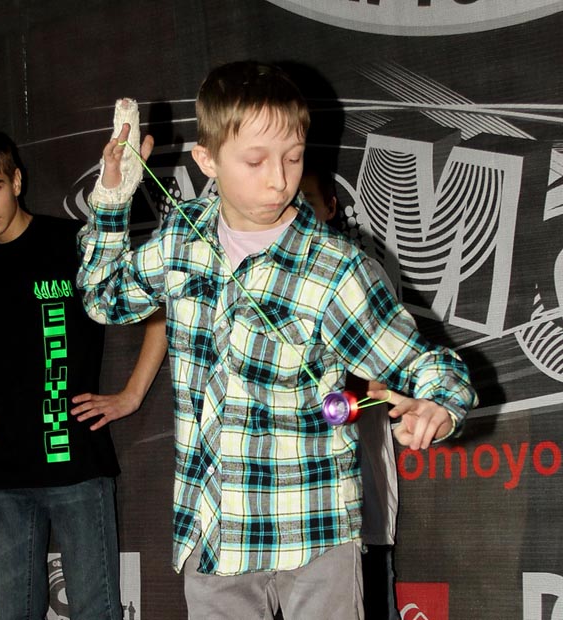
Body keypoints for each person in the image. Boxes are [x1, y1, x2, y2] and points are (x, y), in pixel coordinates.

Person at [76, 60, 478, 620]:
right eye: (255, 160)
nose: (278, 179)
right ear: (207, 160)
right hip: (212, 535)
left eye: (292, 157)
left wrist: (441, 406)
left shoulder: (335, 268)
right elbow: (102, 299)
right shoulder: (180, 241)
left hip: (313, 535)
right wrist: (112, 199)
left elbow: (428, 366)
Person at [0, 130, 167, 620]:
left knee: (95, 611)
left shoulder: (74, 242)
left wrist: (131, 394)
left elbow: (157, 309)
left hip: (75, 463)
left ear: (16, 181)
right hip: (4, 468)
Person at [300, 166, 400, 620]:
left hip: (351, 506)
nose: (298, 214)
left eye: (308, 202)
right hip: (271, 519)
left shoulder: (360, 273)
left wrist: (340, 397)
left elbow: (388, 377)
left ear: (331, 208)